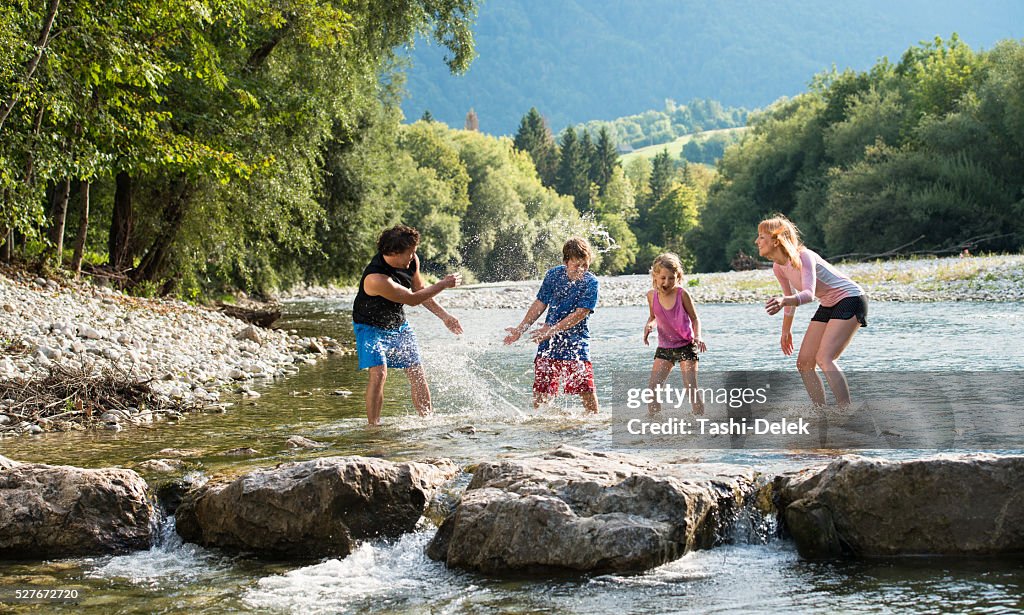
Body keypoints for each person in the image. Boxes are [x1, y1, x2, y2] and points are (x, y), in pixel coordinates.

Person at [352, 224, 462, 425]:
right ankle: (373, 426)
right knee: (379, 372)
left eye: (414, 251)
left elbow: (420, 290)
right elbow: (412, 299)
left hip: (398, 325)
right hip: (370, 328)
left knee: (417, 373)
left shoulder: (412, 262)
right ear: (393, 252)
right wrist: (443, 284)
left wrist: (445, 316)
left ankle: (427, 420)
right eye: (410, 253)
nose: (413, 256)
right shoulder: (376, 278)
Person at [755, 215, 867, 408]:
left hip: (851, 298)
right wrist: (785, 330)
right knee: (804, 363)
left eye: (761, 237)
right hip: (829, 303)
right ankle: (820, 413)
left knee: (824, 358)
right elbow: (789, 302)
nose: (756, 241)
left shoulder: (804, 256)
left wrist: (783, 300)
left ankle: (845, 411)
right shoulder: (778, 267)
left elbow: (808, 294)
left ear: (776, 240)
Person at [503, 238, 600, 414]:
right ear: (565, 262)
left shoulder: (591, 282)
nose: (581, 270)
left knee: (585, 387)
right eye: (576, 265)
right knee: (542, 390)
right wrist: (520, 329)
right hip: (548, 341)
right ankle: (544, 425)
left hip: (576, 342)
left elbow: (580, 314)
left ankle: (594, 424)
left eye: (585, 265)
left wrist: (551, 330)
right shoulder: (554, 275)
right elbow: (540, 303)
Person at [642, 253, 707, 415]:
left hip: (686, 346)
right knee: (653, 390)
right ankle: (655, 423)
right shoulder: (651, 296)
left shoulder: (681, 294)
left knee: (691, 389)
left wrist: (698, 336)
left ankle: (700, 422)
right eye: (663, 278)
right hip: (665, 347)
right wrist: (649, 326)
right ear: (655, 276)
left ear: (678, 276)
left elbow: (695, 318)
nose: (667, 282)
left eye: (671, 278)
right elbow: (653, 316)